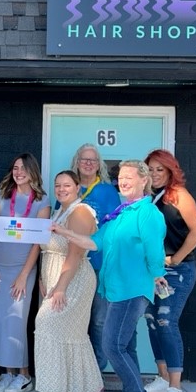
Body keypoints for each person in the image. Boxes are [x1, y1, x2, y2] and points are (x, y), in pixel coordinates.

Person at [54, 160, 166, 392]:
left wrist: (156, 275)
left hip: (133, 289)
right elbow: (94, 242)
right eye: (121, 177)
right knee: (125, 346)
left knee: (112, 346)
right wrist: (63, 231)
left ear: (143, 180)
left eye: (129, 177)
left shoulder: (146, 213)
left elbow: (154, 249)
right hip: (114, 289)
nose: (123, 181)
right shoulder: (121, 213)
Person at [33, 170, 103, 392]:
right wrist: (45, 279)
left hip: (74, 280)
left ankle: (51, 391)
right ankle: (74, 387)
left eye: (67, 186)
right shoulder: (59, 211)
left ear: (77, 188)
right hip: (55, 279)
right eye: (58, 186)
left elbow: (75, 254)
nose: (62, 189)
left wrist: (61, 287)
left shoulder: (80, 212)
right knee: (68, 333)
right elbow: (50, 251)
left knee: (46, 326)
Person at [142, 149, 196, 392]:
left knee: (166, 323)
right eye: (151, 169)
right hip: (151, 273)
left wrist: (176, 258)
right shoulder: (148, 198)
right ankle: (162, 377)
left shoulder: (179, 194)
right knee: (153, 324)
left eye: (160, 169)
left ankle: (175, 388)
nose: (155, 174)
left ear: (170, 171)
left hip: (176, 272)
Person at [0, 153, 50, 392]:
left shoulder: (41, 202)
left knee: (17, 321)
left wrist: (25, 274)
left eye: (23, 168)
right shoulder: (1, 196)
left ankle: (24, 375)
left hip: (22, 270)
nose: (18, 172)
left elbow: (37, 242)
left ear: (33, 171)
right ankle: (7, 373)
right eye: (15, 167)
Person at [69, 143, 121, 373]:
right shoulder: (69, 187)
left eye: (93, 160)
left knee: (99, 320)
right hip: (73, 264)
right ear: (76, 162)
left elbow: (115, 229)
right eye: (84, 159)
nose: (88, 163)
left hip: (99, 264)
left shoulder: (108, 191)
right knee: (75, 318)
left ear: (99, 164)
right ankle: (78, 370)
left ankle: (98, 369)